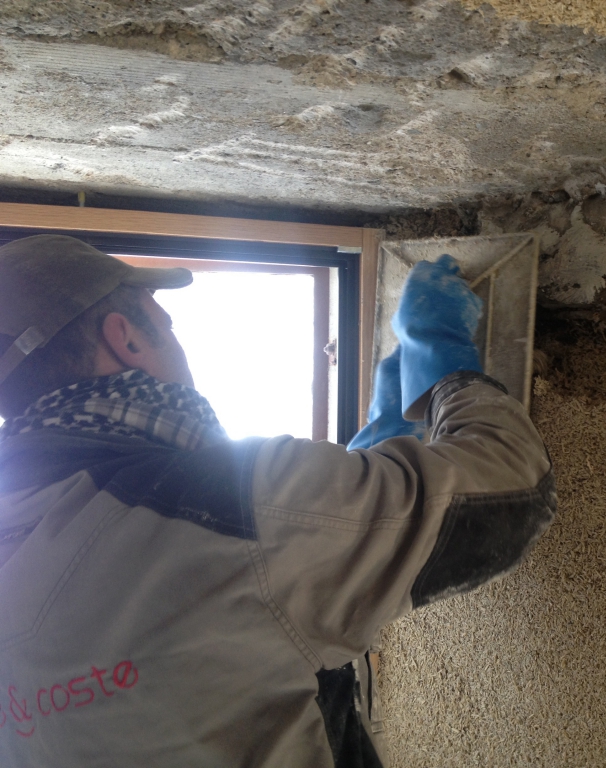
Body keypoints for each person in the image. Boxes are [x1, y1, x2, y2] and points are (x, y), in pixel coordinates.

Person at [0, 234, 555, 767]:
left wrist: (358, 476)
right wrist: (446, 374)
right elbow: (510, 485)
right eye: (165, 326)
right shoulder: (215, 499)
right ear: (129, 339)